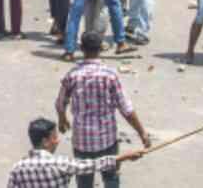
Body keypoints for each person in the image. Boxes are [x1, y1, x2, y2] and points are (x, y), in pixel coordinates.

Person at [55, 32, 151, 187]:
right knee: (111, 179)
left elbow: (60, 103)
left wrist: (62, 119)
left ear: (81, 48)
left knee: (84, 182)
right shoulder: (110, 75)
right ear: (101, 49)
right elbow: (126, 109)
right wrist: (142, 133)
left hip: (82, 141)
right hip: (107, 140)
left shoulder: (72, 75)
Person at [6, 116, 144, 187]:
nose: (57, 141)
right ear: (45, 141)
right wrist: (122, 157)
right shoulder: (59, 163)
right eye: (54, 137)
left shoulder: (17, 169)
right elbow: (93, 164)